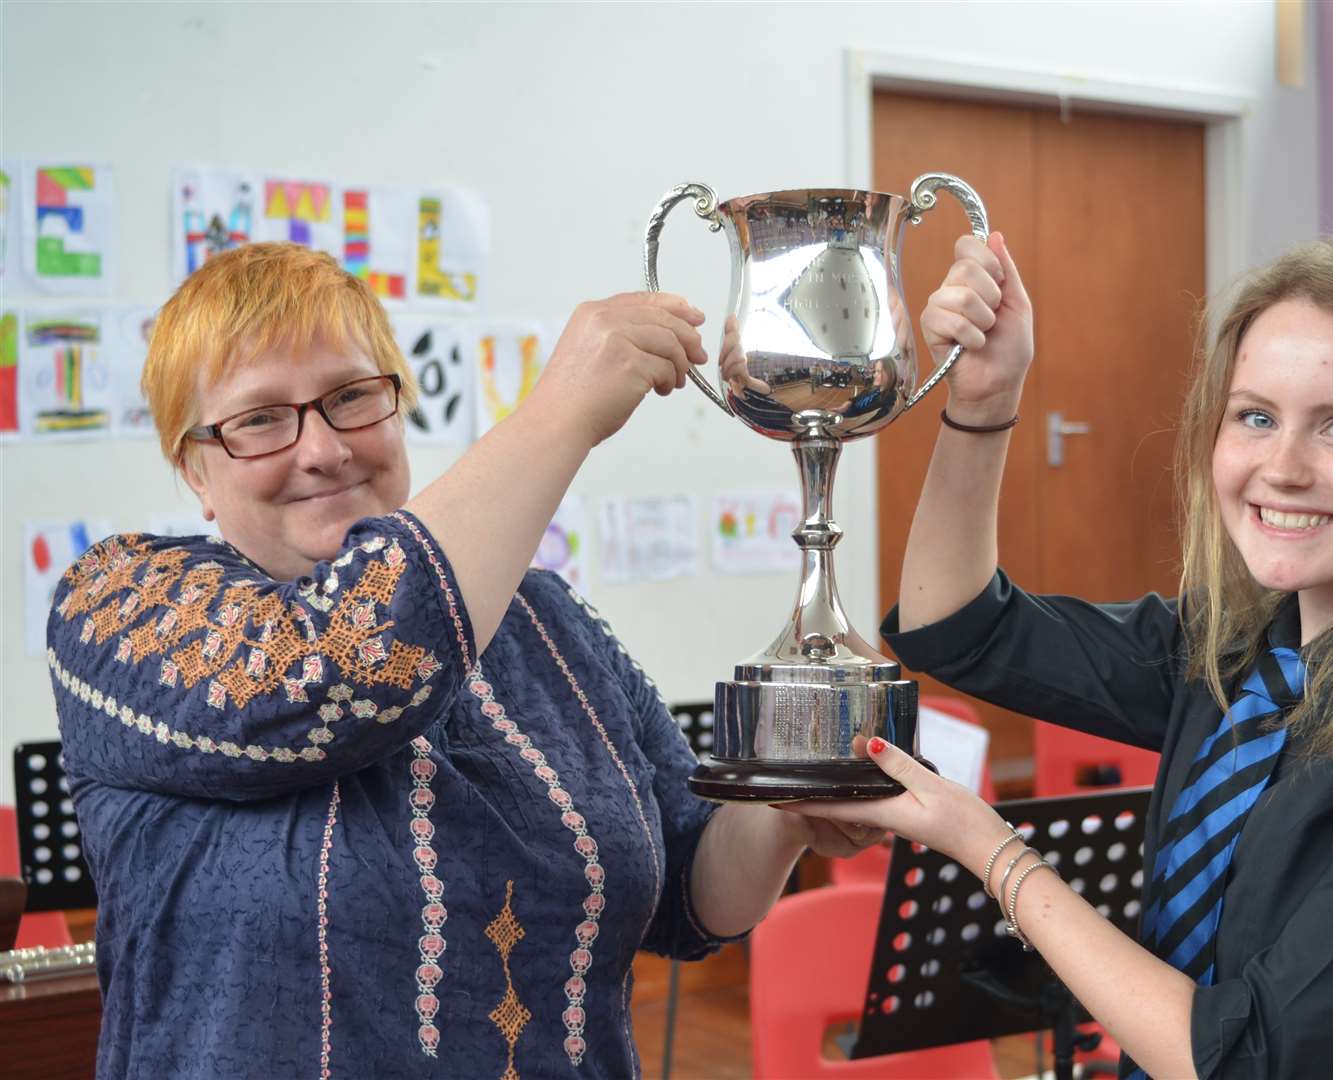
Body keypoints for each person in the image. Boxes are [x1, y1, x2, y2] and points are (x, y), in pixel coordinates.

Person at [786, 233, 1333, 1077]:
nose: (1280, 468)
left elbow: (1249, 1057)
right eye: (1255, 416)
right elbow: (957, 628)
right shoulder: (1229, 648)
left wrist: (992, 850)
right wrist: (984, 398)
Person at [46, 242, 881, 1078]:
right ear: (195, 466)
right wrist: (560, 412)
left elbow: (690, 892)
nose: (325, 448)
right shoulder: (119, 602)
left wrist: (788, 806)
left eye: (351, 396)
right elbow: (334, 673)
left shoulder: (546, 616)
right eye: (260, 418)